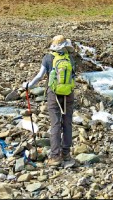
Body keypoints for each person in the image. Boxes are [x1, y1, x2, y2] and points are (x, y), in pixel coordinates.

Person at [21, 35, 76, 168]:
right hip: (68, 93)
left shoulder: (48, 58)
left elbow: (40, 76)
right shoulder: (70, 58)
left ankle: (55, 156)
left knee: (56, 123)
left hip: (54, 94)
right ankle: (66, 153)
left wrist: (28, 85)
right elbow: (73, 76)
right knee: (67, 122)